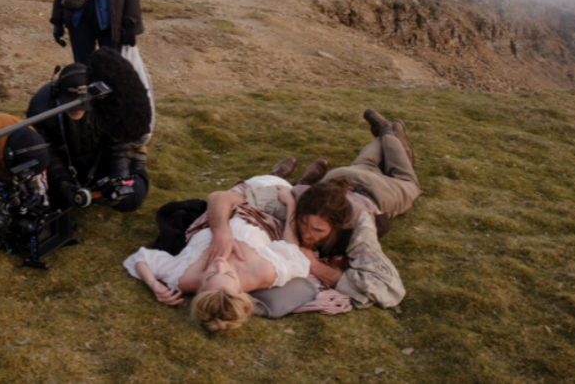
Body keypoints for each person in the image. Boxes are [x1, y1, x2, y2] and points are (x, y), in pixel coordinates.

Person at [200, 109, 415, 310]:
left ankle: (388, 132)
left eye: (318, 231)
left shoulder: (359, 226)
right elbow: (220, 197)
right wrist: (221, 234)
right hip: (340, 178)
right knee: (365, 165)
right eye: (304, 224)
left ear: (337, 226)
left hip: (379, 192)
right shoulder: (295, 197)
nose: (306, 234)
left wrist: (314, 265)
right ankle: (389, 135)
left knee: (407, 180)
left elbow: (390, 289)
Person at [123, 174, 311, 332]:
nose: (220, 263)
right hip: (264, 210)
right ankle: (296, 178)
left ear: (200, 287)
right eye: (229, 273)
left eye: (212, 273)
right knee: (297, 191)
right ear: (240, 289)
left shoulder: (184, 278)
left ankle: (280, 173)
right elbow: (292, 248)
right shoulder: (265, 272)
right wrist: (291, 202)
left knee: (262, 182)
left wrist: (154, 284)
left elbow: (141, 259)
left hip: (231, 202)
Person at [25, 48, 153, 214]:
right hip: (63, 166)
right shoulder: (40, 105)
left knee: (127, 201)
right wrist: (65, 185)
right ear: (58, 94)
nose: (77, 111)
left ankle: (137, 167)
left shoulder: (107, 103)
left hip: (100, 163)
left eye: (82, 105)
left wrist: (118, 178)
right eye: (71, 105)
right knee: (54, 206)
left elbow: (116, 148)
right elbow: (48, 153)